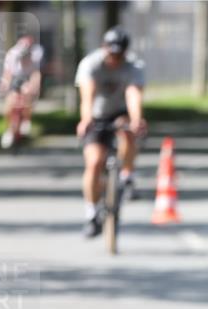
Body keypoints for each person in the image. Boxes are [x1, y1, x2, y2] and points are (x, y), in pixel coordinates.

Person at [75, 26, 146, 238]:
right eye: (111, 53)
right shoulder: (90, 64)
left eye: (119, 54)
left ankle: (127, 176)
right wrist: (86, 120)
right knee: (94, 162)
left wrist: (136, 119)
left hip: (120, 112)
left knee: (128, 130)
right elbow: (87, 95)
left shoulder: (134, 66)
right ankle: (92, 213)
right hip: (96, 115)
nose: (115, 59)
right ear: (104, 48)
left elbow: (133, 94)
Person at [0, 34, 44, 149]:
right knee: (10, 103)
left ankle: (26, 120)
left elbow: (36, 74)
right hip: (16, 78)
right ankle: (9, 130)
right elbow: (8, 72)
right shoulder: (12, 55)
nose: (25, 60)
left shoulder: (36, 56)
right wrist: (5, 84)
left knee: (27, 95)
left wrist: (34, 87)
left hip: (28, 78)